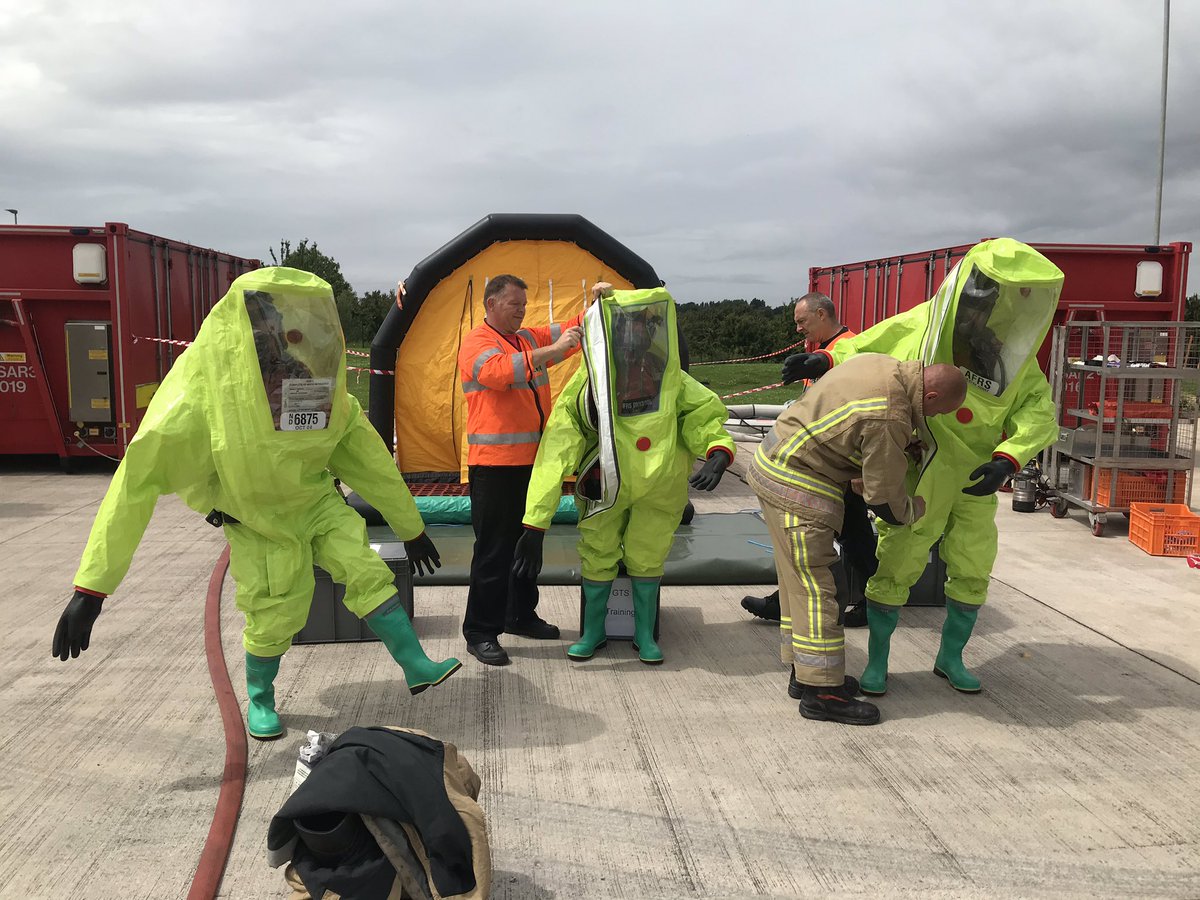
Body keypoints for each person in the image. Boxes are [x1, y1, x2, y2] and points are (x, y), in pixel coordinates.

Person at [51, 268, 460, 741]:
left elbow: (367, 458)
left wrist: (410, 527)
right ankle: (261, 698)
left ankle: (415, 664)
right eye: (262, 320)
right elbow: (135, 484)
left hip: (315, 501)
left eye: (276, 319)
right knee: (275, 611)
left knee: (364, 569)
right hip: (257, 519)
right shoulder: (197, 399)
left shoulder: (307, 380)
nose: (272, 332)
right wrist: (92, 590)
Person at [783, 238, 1064, 695]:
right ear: (964, 291)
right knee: (897, 562)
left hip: (975, 479)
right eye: (979, 296)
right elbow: (872, 343)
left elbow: (1037, 413)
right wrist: (825, 357)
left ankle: (950, 658)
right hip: (924, 469)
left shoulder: (1009, 358)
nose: (982, 309)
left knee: (973, 565)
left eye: (992, 300)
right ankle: (878, 664)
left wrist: (1007, 459)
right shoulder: (925, 326)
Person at [512, 284, 735, 665]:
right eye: (625, 329)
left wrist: (718, 451)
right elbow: (555, 452)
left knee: (648, 558)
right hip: (604, 485)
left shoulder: (669, 378)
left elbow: (702, 414)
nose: (632, 338)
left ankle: (644, 635)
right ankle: (593, 632)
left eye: (639, 328)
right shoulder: (588, 386)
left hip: (658, 486)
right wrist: (535, 524)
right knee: (597, 555)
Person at [750, 353, 967, 725]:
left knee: (795, 584)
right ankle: (823, 693)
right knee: (820, 589)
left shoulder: (882, 366)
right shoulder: (891, 415)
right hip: (797, 487)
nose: (935, 420)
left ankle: (804, 676)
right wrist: (913, 509)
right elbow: (883, 499)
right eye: (939, 413)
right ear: (929, 397)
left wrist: (893, 449)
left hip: (774, 465)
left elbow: (848, 428)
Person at [456, 274, 585, 666]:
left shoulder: (527, 338)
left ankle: (519, 614)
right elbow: (499, 373)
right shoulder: (476, 343)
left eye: (524, 306)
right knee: (494, 552)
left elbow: (575, 328)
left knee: (528, 546)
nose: (522, 311)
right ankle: (480, 631)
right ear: (491, 304)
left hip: (532, 465)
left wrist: (599, 304)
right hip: (495, 468)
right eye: (515, 304)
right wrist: (554, 350)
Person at [742, 292, 876, 631]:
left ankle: (868, 602)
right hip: (819, 460)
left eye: (802, 321)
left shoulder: (848, 348)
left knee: (841, 536)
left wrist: (860, 467)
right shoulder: (816, 352)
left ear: (820, 314)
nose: (799, 328)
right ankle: (866, 601)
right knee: (843, 536)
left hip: (838, 460)